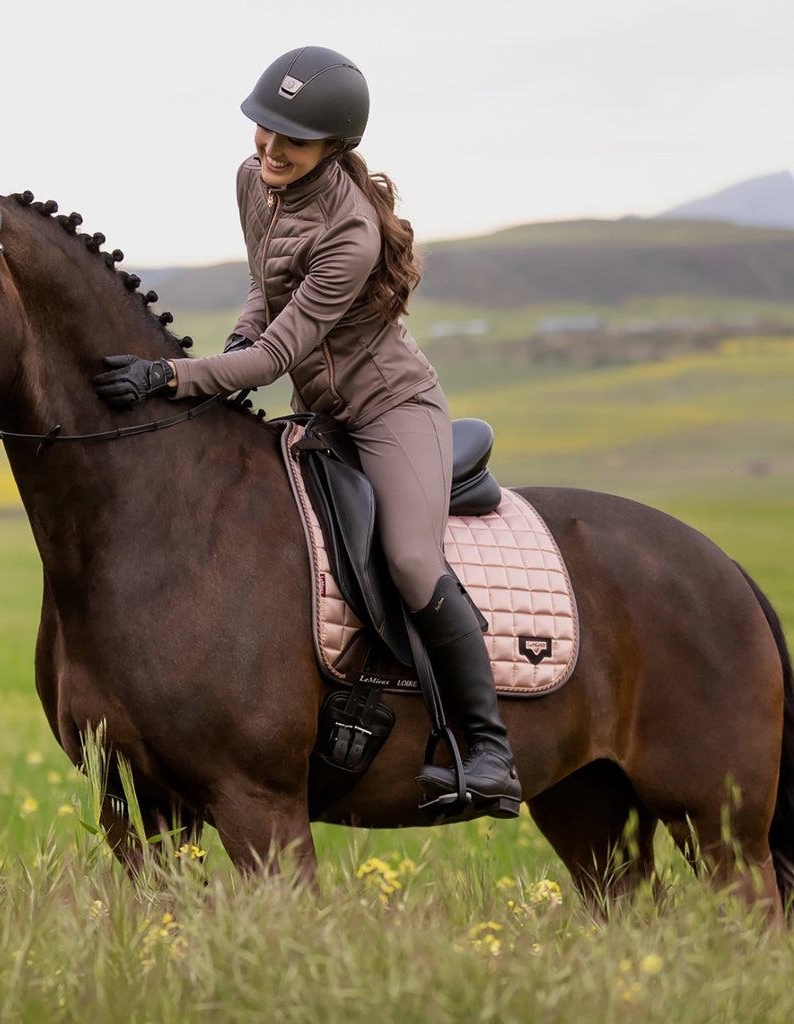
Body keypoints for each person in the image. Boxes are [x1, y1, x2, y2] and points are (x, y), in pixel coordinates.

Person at [92, 46, 521, 816]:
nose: (270, 148)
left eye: (292, 138)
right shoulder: (251, 182)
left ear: (336, 148)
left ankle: (489, 752)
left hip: (391, 412)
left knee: (413, 559)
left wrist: (168, 375)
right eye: (264, 128)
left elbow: (278, 356)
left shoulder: (351, 234)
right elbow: (264, 293)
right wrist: (221, 353)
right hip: (324, 412)